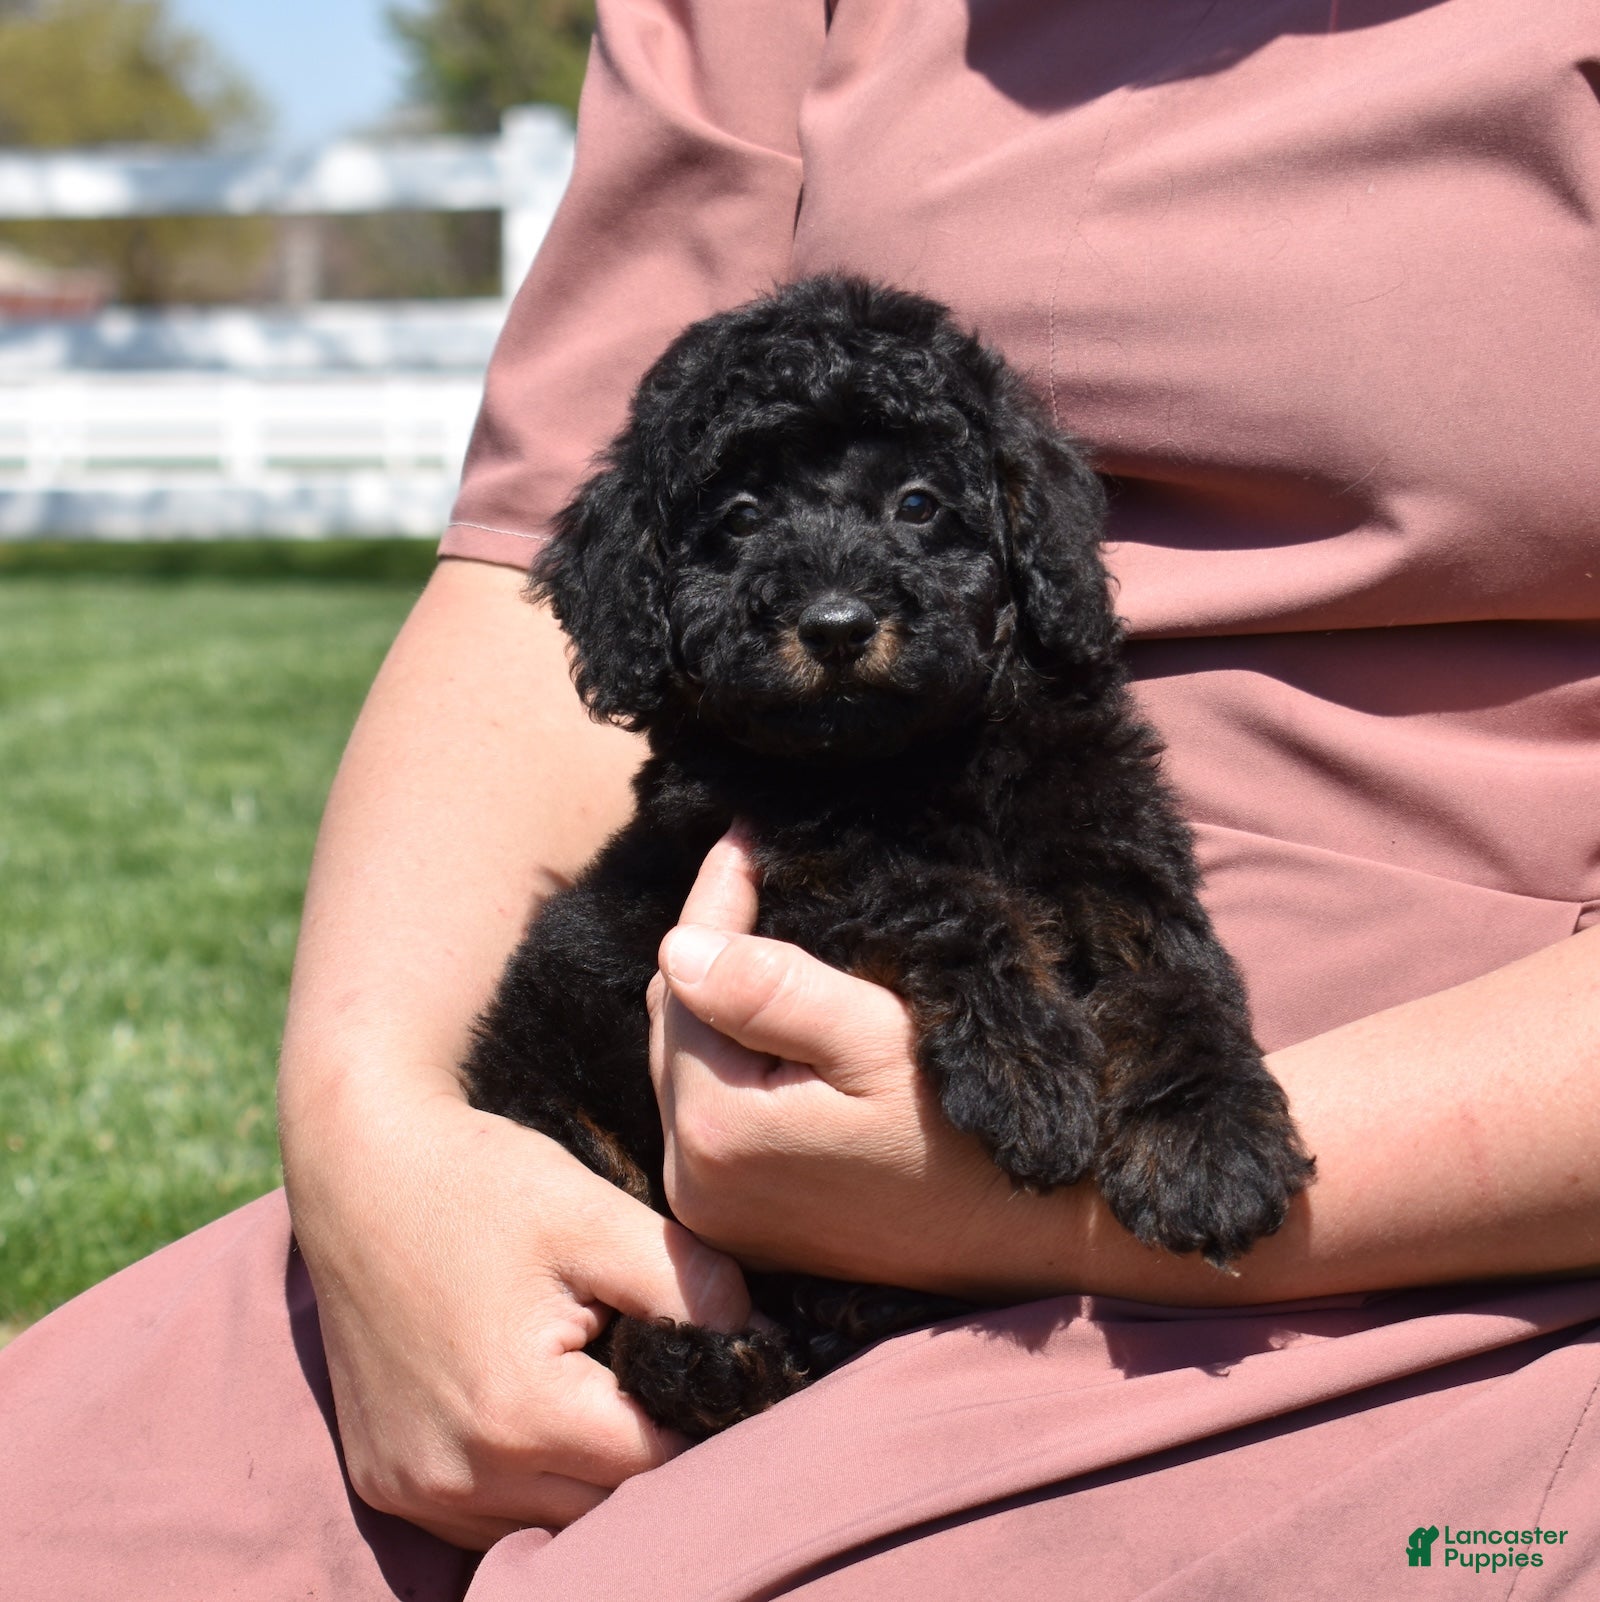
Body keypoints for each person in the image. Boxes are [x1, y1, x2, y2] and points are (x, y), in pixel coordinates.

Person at [4, 1, 1598, 1596]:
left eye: (914, 507)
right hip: (661, 1143)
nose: (839, 600)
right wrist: (381, 1150)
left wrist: (1017, 1221)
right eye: (761, 513)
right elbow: (528, 548)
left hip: (1432, 1195)